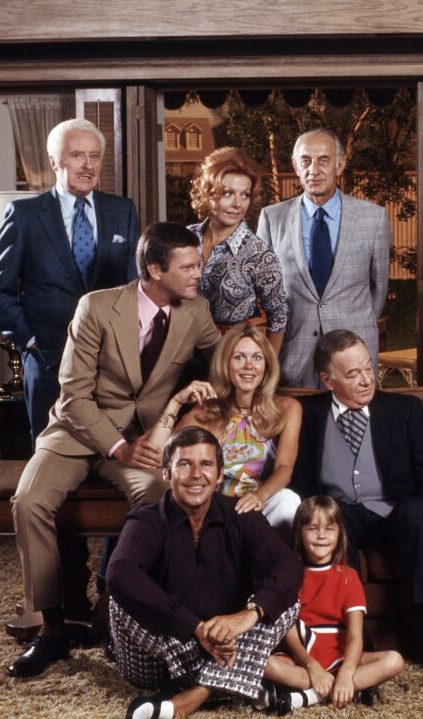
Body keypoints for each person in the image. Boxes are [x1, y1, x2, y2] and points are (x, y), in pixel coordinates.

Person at [6, 222, 220, 679]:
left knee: (163, 500)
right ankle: (52, 630)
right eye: (189, 265)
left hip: (145, 440)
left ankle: (119, 611)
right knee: (29, 502)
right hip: (79, 433)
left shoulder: (196, 310)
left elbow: (228, 357)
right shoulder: (97, 308)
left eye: (198, 262)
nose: (199, 272)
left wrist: (254, 380)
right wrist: (119, 447)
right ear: (154, 268)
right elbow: (73, 395)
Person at [290, 329, 423, 668]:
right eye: (353, 374)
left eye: (368, 368)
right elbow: (297, 480)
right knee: (332, 517)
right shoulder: (305, 414)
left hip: (393, 513)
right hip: (340, 516)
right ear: (327, 380)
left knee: (417, 511)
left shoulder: (405, 410)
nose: (367, 380)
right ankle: (358, 646)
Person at [107, 426, 303, 719]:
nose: (196, 474)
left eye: (206, 464)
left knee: (285, 601)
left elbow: (286, 565)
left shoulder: (242, 515)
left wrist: (246, 616)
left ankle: (195, 696)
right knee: (120, 599)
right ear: (166, 474)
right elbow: (120, 574)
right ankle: (237, 680)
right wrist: (195, 628)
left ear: (220, 475)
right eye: (184, 464)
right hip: (160, 655)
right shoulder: (146, 519)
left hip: (228, 642)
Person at [0, 117, 139, 443]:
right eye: (77, 155)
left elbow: (134, 286)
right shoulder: (25, 216)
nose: (87, 165)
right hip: (49, 358)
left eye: (94, 156)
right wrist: (30, 343)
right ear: (54, 162)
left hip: (110, 363)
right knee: (50, 453)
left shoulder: (122, 210)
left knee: (111, 456)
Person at [256, 128, 391, 388]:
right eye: (305, 160)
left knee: (353, 425)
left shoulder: (373, 218)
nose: (313, 170)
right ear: (295, 166)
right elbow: (265, 289)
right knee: (297, 425)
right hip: (294, 350)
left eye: (323, 160)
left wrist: (352, 321)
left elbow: (379, 288)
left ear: (340, 165)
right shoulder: (272, 218)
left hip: (353, 349)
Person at [147, 323, 302, 537]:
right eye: (239, 357)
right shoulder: (204, 412)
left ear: (266, 365)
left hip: (259, 503)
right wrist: (176, 402)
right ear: (225, 365)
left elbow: (284, 468)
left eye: (256, 358)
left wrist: (260, 497)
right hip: (213, 508)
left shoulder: (287, 408)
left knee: (289, 500)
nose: (249, 366)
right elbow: (156, 455)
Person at [263, 496, 404, 713]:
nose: (321, 536)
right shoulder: (290, 574)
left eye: (329, 529)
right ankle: (350, 689)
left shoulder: (348, 576)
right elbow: (288, 632)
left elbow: (356, 635)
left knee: (394, 660)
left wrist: (347, 673)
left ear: (339, 534)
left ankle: (309, 695)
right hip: (304, 658)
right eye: (312, 528)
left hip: (340, 655)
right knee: (265, 664)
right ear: (300, 532)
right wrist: (312, 666)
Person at [187, 146, 287, 351]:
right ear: (208, 193)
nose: (237, 204)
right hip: (178, 356)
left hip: (229, 359)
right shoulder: (185, 238)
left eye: (245, 195)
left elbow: (278, 319)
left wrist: (266, 371)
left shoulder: (259, 254)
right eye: (228, 193)